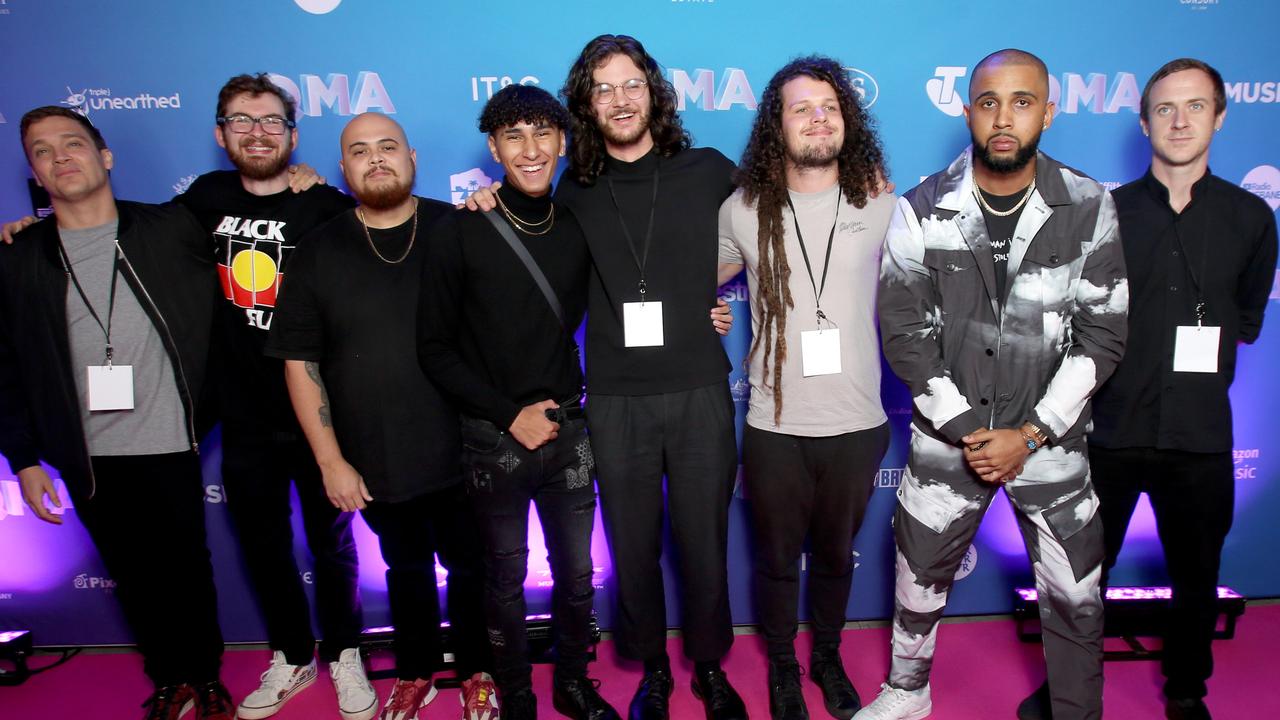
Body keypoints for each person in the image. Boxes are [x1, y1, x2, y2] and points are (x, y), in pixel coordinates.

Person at [465, 34, 743, 720]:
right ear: (586, 106)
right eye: (603, 89)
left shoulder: (710, 170)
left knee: (704, 541)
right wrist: (479, 203)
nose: (620, 100)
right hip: (615, 397)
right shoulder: (575, 189)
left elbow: (773, 230)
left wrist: (710, 295)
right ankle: (654, 670)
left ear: (654, 92)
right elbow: (525, 233)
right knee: (633, 543)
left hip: (699, 387)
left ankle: (709, 670)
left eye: (631, 85)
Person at [858, 49, 1128, 720]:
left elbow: (1104, 334)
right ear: (967, 110)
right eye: (988, 102)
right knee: (919, 582)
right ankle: (907, 693)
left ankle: (1075, 710)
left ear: (1049, 109)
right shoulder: (922, 207)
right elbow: (904, 332)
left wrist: (1029, 435)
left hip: (1052, 446)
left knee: (1075, 594)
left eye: (1022, 101)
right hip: (950, 443)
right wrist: (971, 433)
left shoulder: (1090, 205)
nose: (1003, 118)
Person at [0, 106, 230, 720]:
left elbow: (259, 204)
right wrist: (23, 458)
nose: (60, 157)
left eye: (72, 144)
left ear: (105, 157)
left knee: (186, 566)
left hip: (170, 436)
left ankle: (205, 678)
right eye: (43, 151)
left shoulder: (173, 227)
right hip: (86, 450)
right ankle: (168, 678)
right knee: (133, 574)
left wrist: (308, 177)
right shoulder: (19, 258)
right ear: (35, 172)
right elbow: (6, 369)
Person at [265, 112, 493, 720]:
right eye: (359, 151)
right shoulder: (317, 251)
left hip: (469, 447)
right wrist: (330, 460)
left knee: (472, 567)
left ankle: (477, 670)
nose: (376, 159)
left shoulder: (460, 228)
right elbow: (299, 362)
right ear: (343, 168)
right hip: (377, 453)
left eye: (387, 147)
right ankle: (415, 672)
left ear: (412, 156)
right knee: (405, 569)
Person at [418, 83, 620, 720]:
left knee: (579, 577)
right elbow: (434, 348)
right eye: (514, 137)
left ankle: (571, 682)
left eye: (542, 134)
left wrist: (705, 308)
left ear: (563, 141)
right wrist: (509, 415)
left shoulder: (581, 227)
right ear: (493, 148)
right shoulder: (463, 229)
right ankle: (514, 695)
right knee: (502, 579)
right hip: (492, 436)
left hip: (569, 429)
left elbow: (637, 288)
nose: (530, 151)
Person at [1085, 58, 1277, 720]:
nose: (1180, 120)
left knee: (1196, 577)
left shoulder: (1252, 218)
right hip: (1109, 430)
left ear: (1220, 117)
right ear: (1143, 123)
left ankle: (1187, 689)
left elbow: (1247, 316)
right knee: (1083, 578)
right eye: (1165, 108)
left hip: (1199, 435)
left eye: (1196, 106)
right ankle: (1070, 688)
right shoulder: (1105, 214)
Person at [177, 73, 370, 720]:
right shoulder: (203, 199)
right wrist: (33, 227)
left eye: (269, 122)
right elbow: (127, 233)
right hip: (243, 415)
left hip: (321, 417)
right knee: (263, 546)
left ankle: (344, 650)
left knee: (332, 545)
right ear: (220, 133)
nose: (256, 133)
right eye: (241, 120)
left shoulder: (324, 205)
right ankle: (292, 654)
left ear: (292, 133)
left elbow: (391, 238)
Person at [716, 56, 894, 720]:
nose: (819, 117)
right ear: (776, 124)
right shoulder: (742, 209)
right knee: (776, 561)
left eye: (830, 106)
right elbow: (696, 279)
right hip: (775, 425)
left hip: (858, 422)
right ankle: (784, 670)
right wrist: (710, 305)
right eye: (802, 107)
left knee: (834, 559)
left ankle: (827, 656)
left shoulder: (881, 202)